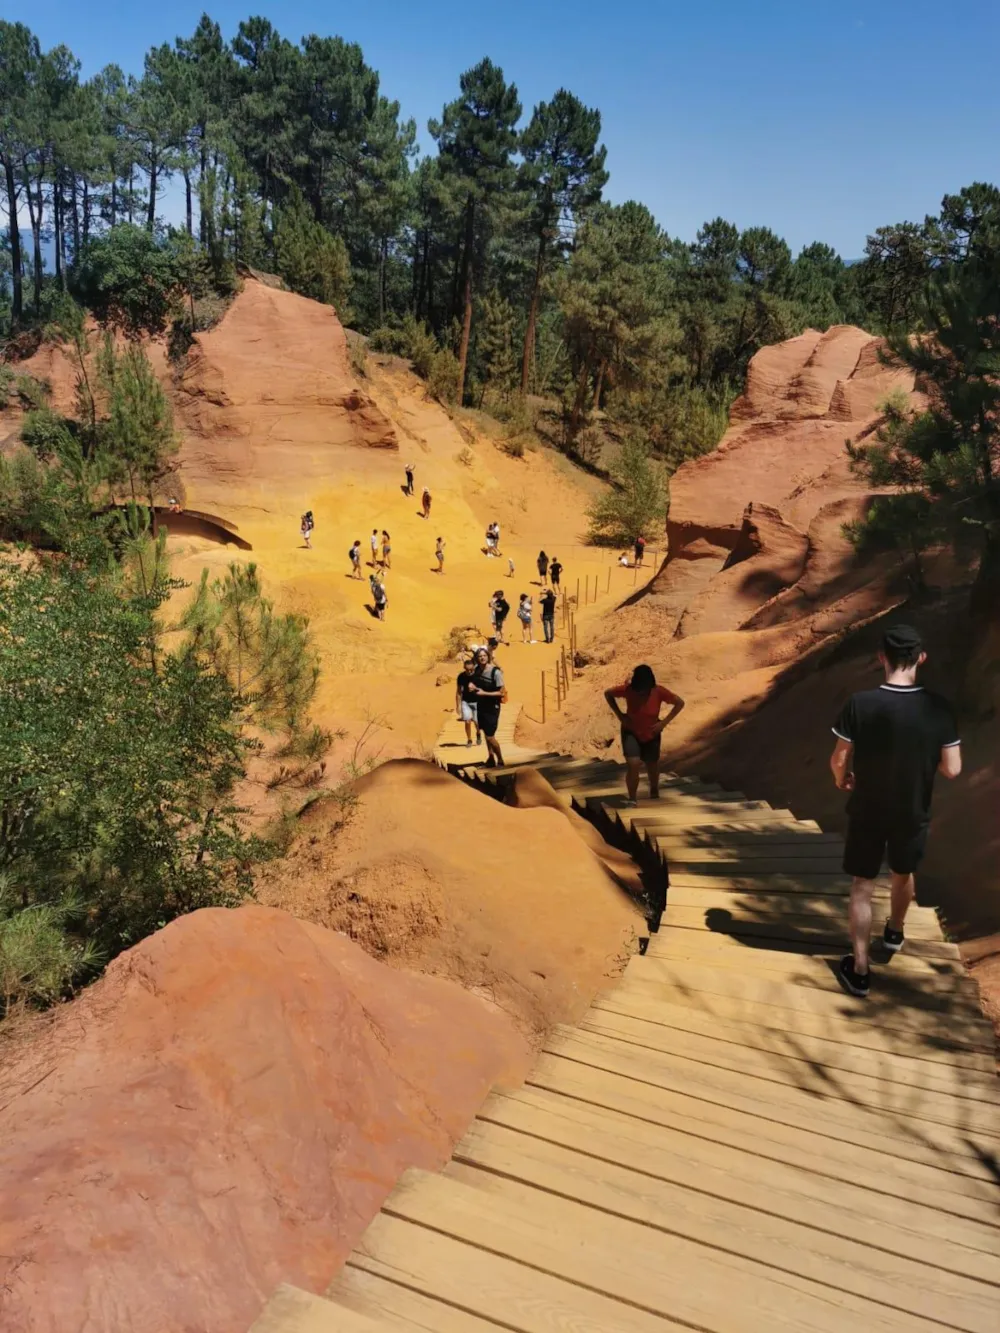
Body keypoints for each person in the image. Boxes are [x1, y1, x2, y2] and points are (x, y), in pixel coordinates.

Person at [829, 624, 962, 999]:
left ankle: (858, 970)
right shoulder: (938, 708)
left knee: (862, 886)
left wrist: (843, 778)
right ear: (921, 658)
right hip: (912, 807)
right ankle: (895, 932)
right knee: (903, 873)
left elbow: (839, 758)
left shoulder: (860, 703)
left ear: (881, 657)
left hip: (868, 807)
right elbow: (952, 768)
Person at [604, 665, 685, 806]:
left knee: (652, 764)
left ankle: (654, 787)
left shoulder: (659, 691)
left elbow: (679, 703)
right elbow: (608, 693)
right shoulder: (627, 690)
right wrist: (619, 715)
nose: (641, 694)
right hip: (631, 731)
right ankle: (632, 799)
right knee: (633, 764)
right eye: (639, 691)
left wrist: (664, 723)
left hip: (651, 733)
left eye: (644, 691)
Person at [468, 646, 505, 767]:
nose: (482, 658)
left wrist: (484, 693)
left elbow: (501, 692)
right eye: (480, 656)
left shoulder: (496, 672)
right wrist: (471, 686)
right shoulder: (477, 670)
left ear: (488, 657)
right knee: (485, 733)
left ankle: (500, 759)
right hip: (481, 705)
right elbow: (473, 682)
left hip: (492, 707)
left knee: (490, 736)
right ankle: (490, 757)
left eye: (484, 656)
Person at [455, 657, 482, 747]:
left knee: (476, 721)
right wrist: (458, 705)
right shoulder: (461, 677)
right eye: (467, 670)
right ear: (464, 668)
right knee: (467, 721)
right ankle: (469, 739)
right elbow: (458, 691)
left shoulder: (478, 676)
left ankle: (478, 733)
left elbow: (483, 689)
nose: (469, 672)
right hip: (465, 701)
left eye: (471, 669)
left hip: (477, 701)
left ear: (474, 667)